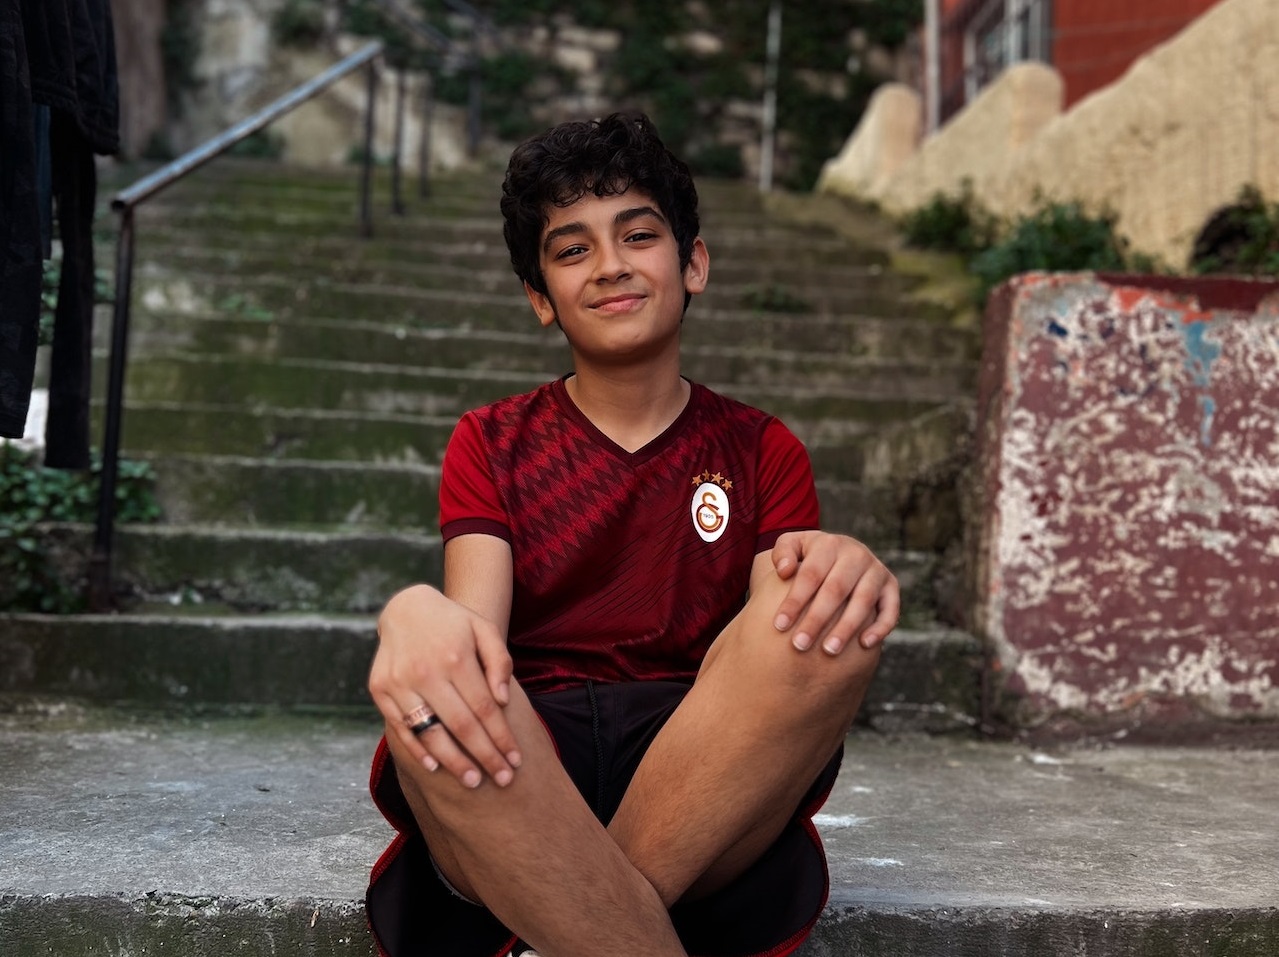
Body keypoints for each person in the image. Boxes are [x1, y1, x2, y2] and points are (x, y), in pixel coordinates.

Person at [365, 112, 899, 957]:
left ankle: (560, 919)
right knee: (436, 678)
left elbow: (779, 646)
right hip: (526, 770)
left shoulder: (762, 447)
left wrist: (839, 567)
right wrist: (411, 615)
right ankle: (602, 921)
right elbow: (472, 639)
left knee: (830, 609)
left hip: (699, 776)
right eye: (571, 249)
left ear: (692, 264)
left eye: (638, 235)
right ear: (540, 298)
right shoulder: (491, 438)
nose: (610, 265)